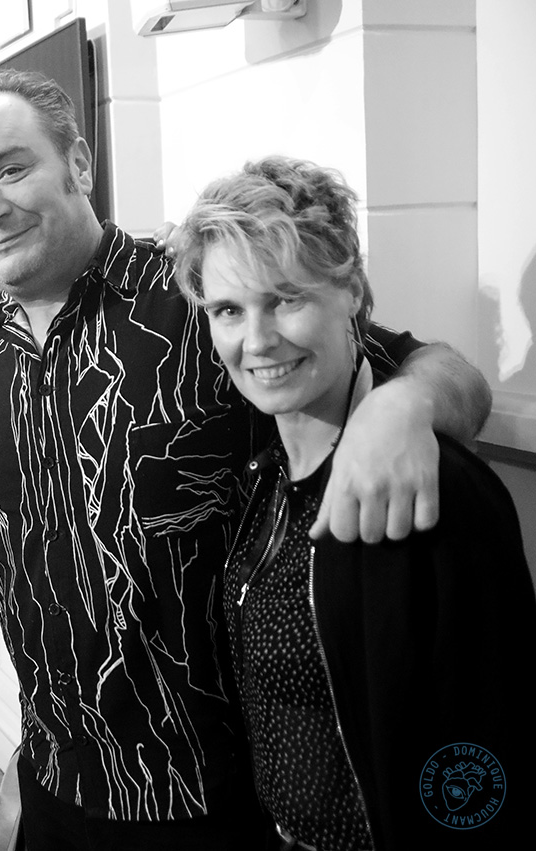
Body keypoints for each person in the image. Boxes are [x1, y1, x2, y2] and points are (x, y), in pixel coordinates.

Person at [0, 69, 492, 849]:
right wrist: (24, 779)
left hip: (211, 805)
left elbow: (448, 377)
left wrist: (405, 403)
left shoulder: (199, 293)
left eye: (11, 169)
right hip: (56, 788)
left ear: (79, 165)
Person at [172, 156, 534, 850]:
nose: (257, 340)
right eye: (228, 310)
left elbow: (493, 744)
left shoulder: (436, 486)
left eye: (286, 298)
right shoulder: (266, 476)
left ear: (352, 293)